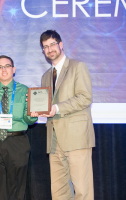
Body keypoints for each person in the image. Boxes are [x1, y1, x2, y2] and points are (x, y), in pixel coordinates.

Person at [31, 30, 95, 200]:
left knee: (82, 191)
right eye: (45, 47)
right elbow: (46, 105)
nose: (49, 49)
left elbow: (85, 97)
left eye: (52, 44)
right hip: (54, 141)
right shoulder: (45, 76)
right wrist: (38, 111)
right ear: (43, 51)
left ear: (61, 45)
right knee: (59, 192)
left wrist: (57, 108)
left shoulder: (77, 66)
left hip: (77, 138)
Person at [0, 55, 37, 200]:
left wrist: (33, 114)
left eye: (7, 66)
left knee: (17, 187)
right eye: (0, 67)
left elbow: (29, 120)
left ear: (13, 69)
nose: (4, 69)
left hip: (17, 142)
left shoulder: (25, 91)